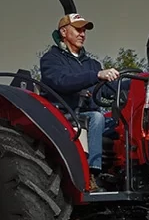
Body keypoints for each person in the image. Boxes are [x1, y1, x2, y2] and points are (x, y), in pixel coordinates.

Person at [40, 13, 120, 191]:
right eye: (78, 29)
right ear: (63, 31)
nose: (82, 34)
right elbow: (62, 81)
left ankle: (122, 174)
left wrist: (134, 84)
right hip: (65, 115)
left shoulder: (92, 63)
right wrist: (96, 75)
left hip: (88, 115)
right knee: (97, 117)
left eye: (84, 30)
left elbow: (106, 89)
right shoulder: (51, 60)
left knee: (126, 122)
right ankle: (93, 174)